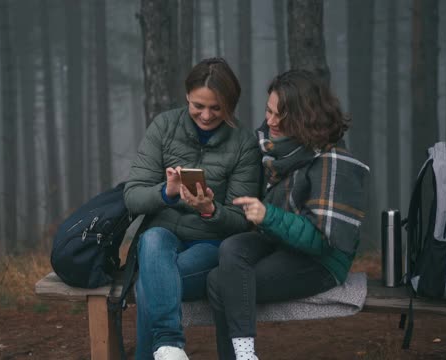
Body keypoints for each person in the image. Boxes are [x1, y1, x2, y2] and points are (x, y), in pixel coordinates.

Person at [206, 69, 370, 360]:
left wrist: (267, 216)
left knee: (221, 283)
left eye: (281, 116)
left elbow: (321, 241)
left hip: (320, 260)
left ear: (305, 118)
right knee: (232, 248)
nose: (270, 122)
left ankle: (244, 354)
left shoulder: (334, 162)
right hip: (278, 240)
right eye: (269, 111)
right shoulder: (274, 149)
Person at [124, 57, 261, 360]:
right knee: (152, 238)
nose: (207, 115)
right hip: (161, 239)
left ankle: (168, 348)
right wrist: (167, 192)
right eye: (199, 105)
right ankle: (170, 346)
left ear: (231, 104)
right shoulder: (164, 126)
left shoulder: (243, 145)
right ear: (187, 95)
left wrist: (211, 209)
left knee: (150, 285)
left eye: (217, 107)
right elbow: (132, 197)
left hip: (210, 243)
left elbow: (241, 221)